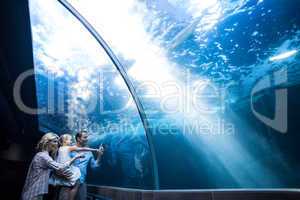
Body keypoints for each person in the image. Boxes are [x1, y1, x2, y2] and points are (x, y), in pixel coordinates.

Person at [21, 133, 84, 200]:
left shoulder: (44, 155)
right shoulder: (43, 156)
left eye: (57, 142)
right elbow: (60, 168)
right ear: (47, 142)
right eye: (54, 141)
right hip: (33, 192)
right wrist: (76, 157)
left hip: (36, 192)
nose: (57, 144)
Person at [50, 134, 100, 200]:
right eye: (85, 137)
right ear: (78, 139)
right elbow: (58, 162)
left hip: (81, 180)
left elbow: (94, 166)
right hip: (66, 180)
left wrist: (99, 155)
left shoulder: (89, 152)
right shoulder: (69, 149)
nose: (87, 139)